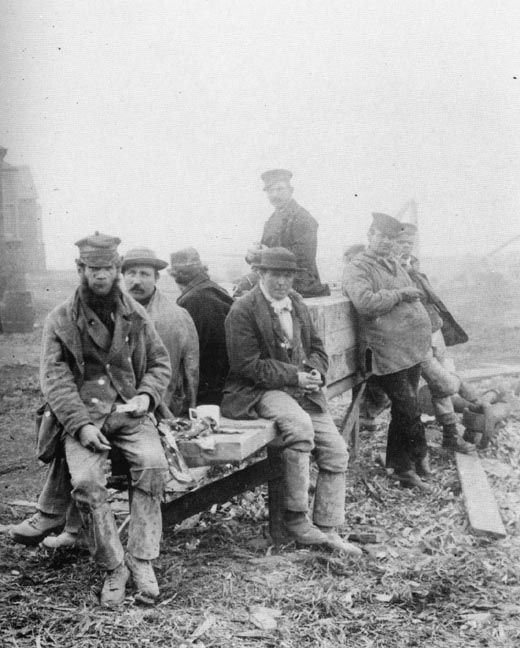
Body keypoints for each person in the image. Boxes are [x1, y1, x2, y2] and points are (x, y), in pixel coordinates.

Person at [11, 233, 171, 607]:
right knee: (85, 482)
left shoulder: (134, 313)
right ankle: (114, 566)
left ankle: (142, 560)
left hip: (129, 415)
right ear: (80, 270)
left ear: (117, 270)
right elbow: (55, 379)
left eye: (107, 268)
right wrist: (80, 425)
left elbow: (160, 363)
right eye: (93, 269)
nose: (101, 276)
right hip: (83, 420)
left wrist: (146, 396)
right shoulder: (61, 319)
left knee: (153, 465)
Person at [222, 247, 361, 556]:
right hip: (258, 390)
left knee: (337, 451)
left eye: (288, 276)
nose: (282, 282)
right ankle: (296, 517)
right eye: (275, 275)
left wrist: (315, 371)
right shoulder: (243, 310)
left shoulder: (297, 303)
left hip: (302, 390)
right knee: (299, 427)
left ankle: (327, 528)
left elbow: (318, 348)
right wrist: (296, 376)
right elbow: (247, 365)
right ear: (261, 274)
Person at [343, 213, 432, 490]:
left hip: (410, 348)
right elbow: (365, 302)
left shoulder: (394, 264)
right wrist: (401, 295)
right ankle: (419, 454)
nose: (385, 242)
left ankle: (400, 466)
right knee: (408, 408)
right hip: (384, 352)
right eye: (380, 236)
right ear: (369, 236)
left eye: (390, 238)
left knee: (405, 409)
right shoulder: (358, 267)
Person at [395, 223, 479, 453]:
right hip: (413, 339)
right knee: (444, 382)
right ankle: (472, 397)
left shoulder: (412, 268)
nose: (405, 248)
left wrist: (411, 270)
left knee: (441, 383)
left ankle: (450, 435)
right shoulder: (392, 270)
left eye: (409, 244)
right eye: (401, 243)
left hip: (433, 330)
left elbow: (429, 300)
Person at [169, 247, 233, 405]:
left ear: (176, 276)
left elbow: (197, 353)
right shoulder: (218, 292)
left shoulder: (194, 300)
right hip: (226, 385)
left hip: (206, 393)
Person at [259, 169, 330, 298]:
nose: (275, 195)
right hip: (275, 276)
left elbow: (303, 255)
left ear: (291, 191)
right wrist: (253, 254)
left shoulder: (303, 218)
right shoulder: (272, 219)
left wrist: (266, 254)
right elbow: (264, 247)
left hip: (300, 280)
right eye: (270, 191)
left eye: (280, 189)